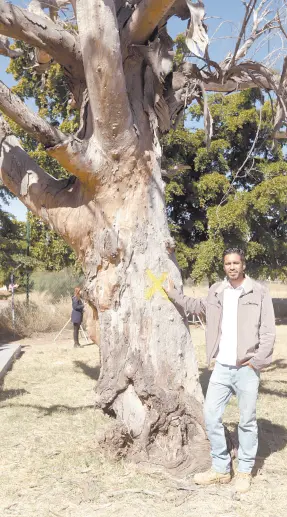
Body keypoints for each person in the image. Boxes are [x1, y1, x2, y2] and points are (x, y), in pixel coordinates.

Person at [164, 247, 275, 493]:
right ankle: (221, 469)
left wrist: (256, 362)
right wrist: (172, 293)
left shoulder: (258, 292)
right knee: (211, 416)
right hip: (221, 367)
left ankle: (244, 471)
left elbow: (268, 332)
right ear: (224, 266)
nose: (232, 267)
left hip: (247, 368)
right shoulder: (217, 290)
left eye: (236, 263)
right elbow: (196, 306)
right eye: (228, 263)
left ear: (243, 265)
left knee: (246, 421)